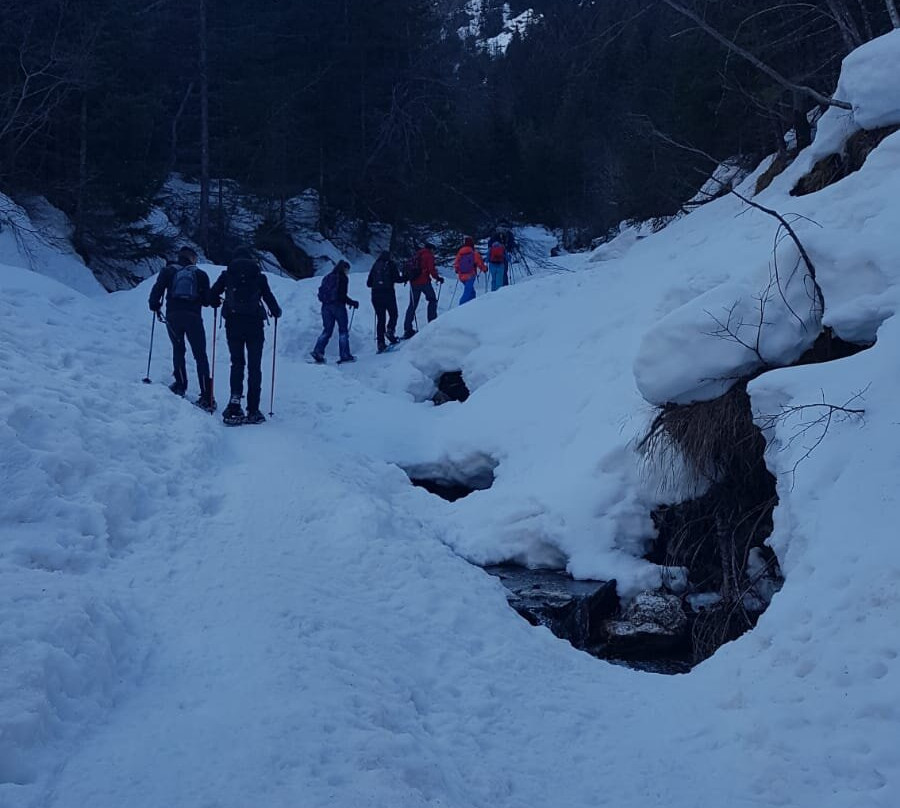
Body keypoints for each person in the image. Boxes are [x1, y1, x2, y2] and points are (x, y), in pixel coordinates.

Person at [209, 245, 282, 425]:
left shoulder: (227, 275)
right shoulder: (258, 276)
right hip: (254, 325)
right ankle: (253, 408)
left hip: (233, 324)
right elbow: (270, 300)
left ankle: (234, 403)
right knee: (254, 366)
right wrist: (276, 312)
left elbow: (211, 296)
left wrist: (218, 302)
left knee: (237, 363)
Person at [148, 245, 216, 412]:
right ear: (192, 258)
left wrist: (155, 305)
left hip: (173, 316)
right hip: (193, 317)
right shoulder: (200, 274)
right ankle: (206, 395)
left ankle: (180, 384)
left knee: (178, 349)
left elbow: (157, 290)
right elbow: (207, 301)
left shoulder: (168, 271)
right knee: (200, 354)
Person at [311, 260, 359, 364]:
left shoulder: (328, 277)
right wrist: (352, 302)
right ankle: (345, 355)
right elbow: (342, 295)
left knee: (327, 330)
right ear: (344, 268)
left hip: (325, 307)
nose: (347, 272)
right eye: (347, 269)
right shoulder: (342, 278)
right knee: (343, 331)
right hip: (338, 306)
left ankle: (318, 351)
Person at [402, 241, 443, 339]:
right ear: (431, 249)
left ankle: (408, 328)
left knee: (412, 305)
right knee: (432, 300)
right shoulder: (428, 256)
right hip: (424, 282)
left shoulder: (417, 254)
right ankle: (432, 322)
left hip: (413, 282)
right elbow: (431, 270)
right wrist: (438, 278)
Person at [366, 251, 403, 353]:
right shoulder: (391, 265)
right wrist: (407, 277)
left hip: (376, 295)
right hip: (388, 294)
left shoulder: (375, 265)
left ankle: (380, 343)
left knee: (381, 319)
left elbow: (368, 283)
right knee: (393, 314)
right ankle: (390, 331)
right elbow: (397, 279)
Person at [453, 236, 486, 305]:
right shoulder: (474, 253)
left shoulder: (460, 253)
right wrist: (484, 269)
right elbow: (480, 264)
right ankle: (461, 306)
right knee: (467, 292)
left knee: (471, 292)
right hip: (470, 275)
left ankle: (471, 305)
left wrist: (457, 270)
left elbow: (456, 263)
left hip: (461, 276)